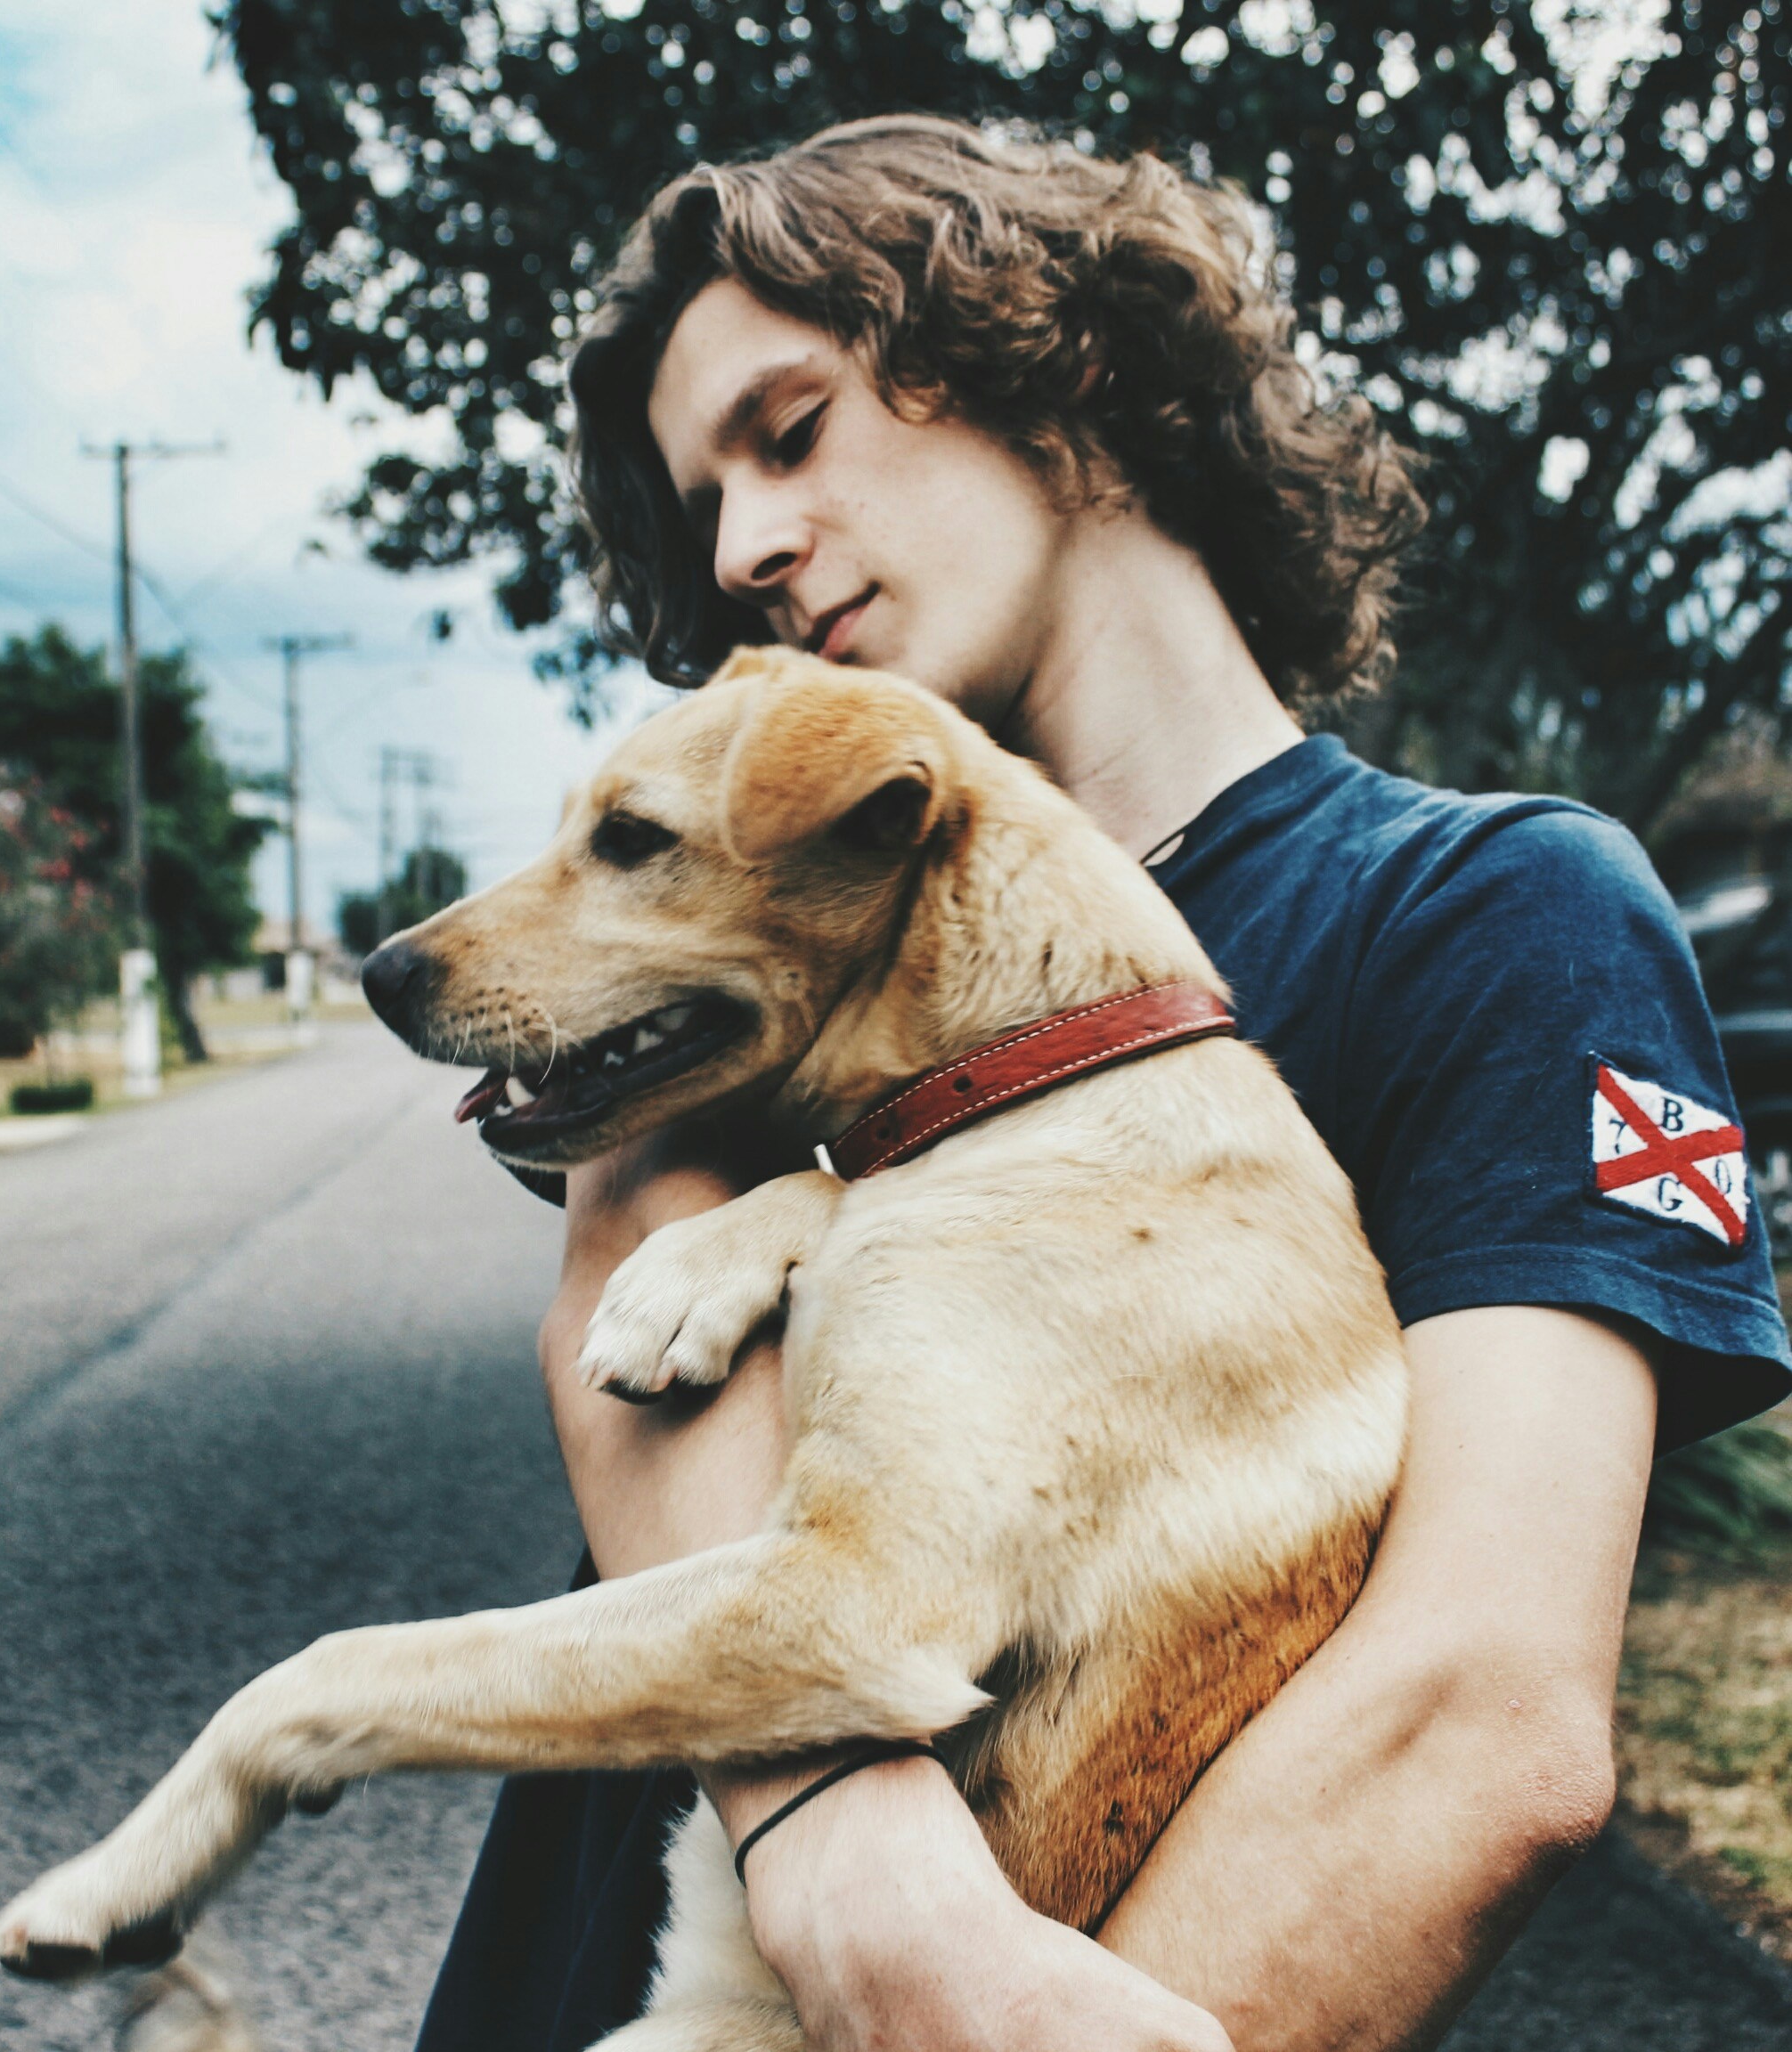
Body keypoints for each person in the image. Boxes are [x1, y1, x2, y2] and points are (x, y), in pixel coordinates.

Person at [416, 117, 1792, 2052]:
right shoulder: (802, 890)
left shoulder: (1489, 915)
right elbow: (620, 1303)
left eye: (787, 431)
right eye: (701, 496)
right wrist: (837, 1858)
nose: (736, 548)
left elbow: (1474, 1723)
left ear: (1054, 369)